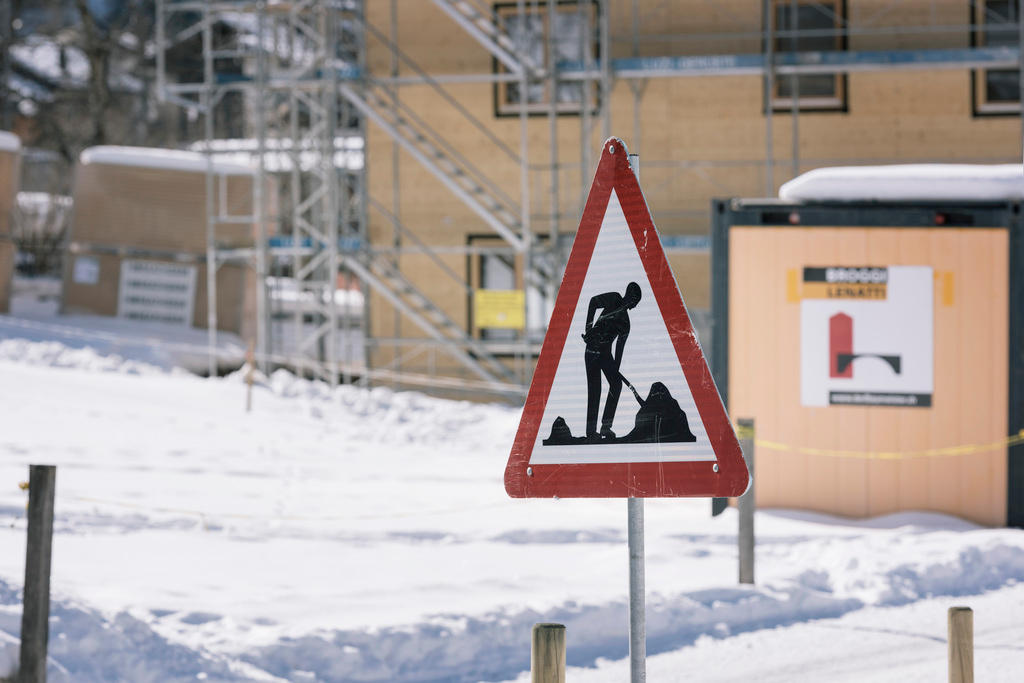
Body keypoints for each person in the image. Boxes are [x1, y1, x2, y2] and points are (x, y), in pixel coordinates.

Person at [582, 282, 642, 440]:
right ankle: (591, 432)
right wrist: (588, 329)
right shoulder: (614, 298)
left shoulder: (626, 324)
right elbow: (593, 302)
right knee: (595, 389)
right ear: (630, 296)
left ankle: (605, 427)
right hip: (592, 351)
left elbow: (619, 350)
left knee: (616, 384)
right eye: (635, 301)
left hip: (605, 354)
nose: (634, 305)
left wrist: (615, 368)